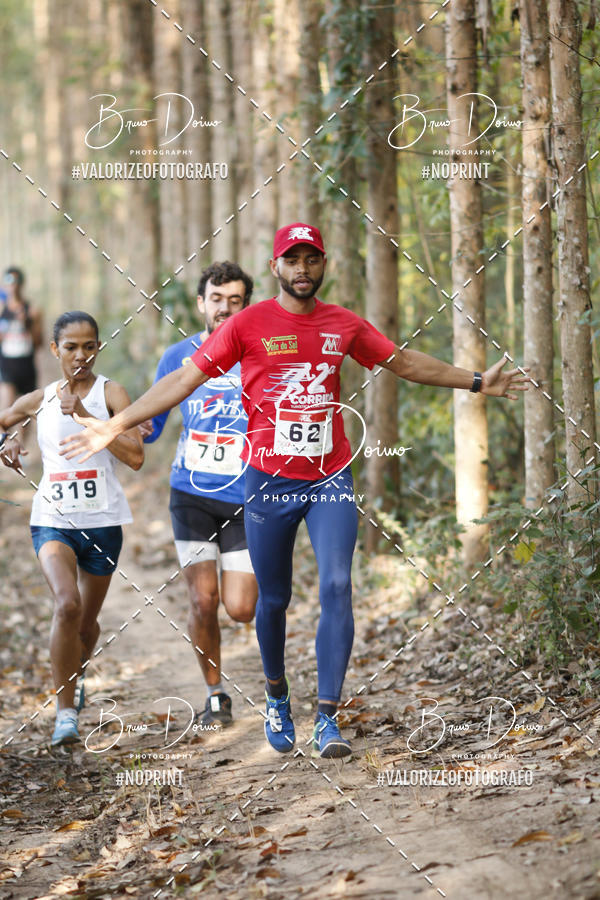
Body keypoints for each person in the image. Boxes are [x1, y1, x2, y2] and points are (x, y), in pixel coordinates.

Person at [59, 222, 529, 760]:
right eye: (292, 260)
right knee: (273, 599)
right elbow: (181, 382)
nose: (302, 269)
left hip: (329, 476)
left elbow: (403, 362)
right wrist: (115, 425)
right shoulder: (247, 325)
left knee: (335, 585)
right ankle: (277, 696)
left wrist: (475, 381)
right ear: (275, 268)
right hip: (268, 480)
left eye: (312, 260)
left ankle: (327, 717)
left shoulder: (343, 324)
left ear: (323, 265)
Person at [0, 311, 143, 746]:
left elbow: (135, 456)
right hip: (52, 520)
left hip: (102, 522)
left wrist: (85, 417)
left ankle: (73, 680)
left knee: (86, 625)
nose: (80, 355)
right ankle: (65, 714)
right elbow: (6, 420)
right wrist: (9, 440)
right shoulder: (40, 398)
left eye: (89, 346)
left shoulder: (111, 393)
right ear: (54, 350)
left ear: (98, 347)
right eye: (71, 347)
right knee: (67, 605)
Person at [140, 262, 257, 726]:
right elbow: (150, 428)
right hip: (189, 494)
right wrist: (112, 425)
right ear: (200, 303)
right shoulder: (177, 357)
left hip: (247, 499)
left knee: (241, 608)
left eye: (235, 301)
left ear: (246, 305)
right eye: (216, 299)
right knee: (202, 600)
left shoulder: (260, 355)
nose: (224, 309)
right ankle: (214, 695)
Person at [0, 267, 43, 408]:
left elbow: (39, 343)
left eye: (17, 281)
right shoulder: (1, 310)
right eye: (9, 281)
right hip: (6, 365)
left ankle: (19, 432)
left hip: (26, 365)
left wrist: (27, 324)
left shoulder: (32, 311)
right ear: (5, 284)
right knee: (7, 407)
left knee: (25, 410)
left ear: (22, 284)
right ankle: (4, 431)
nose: (13, 285)